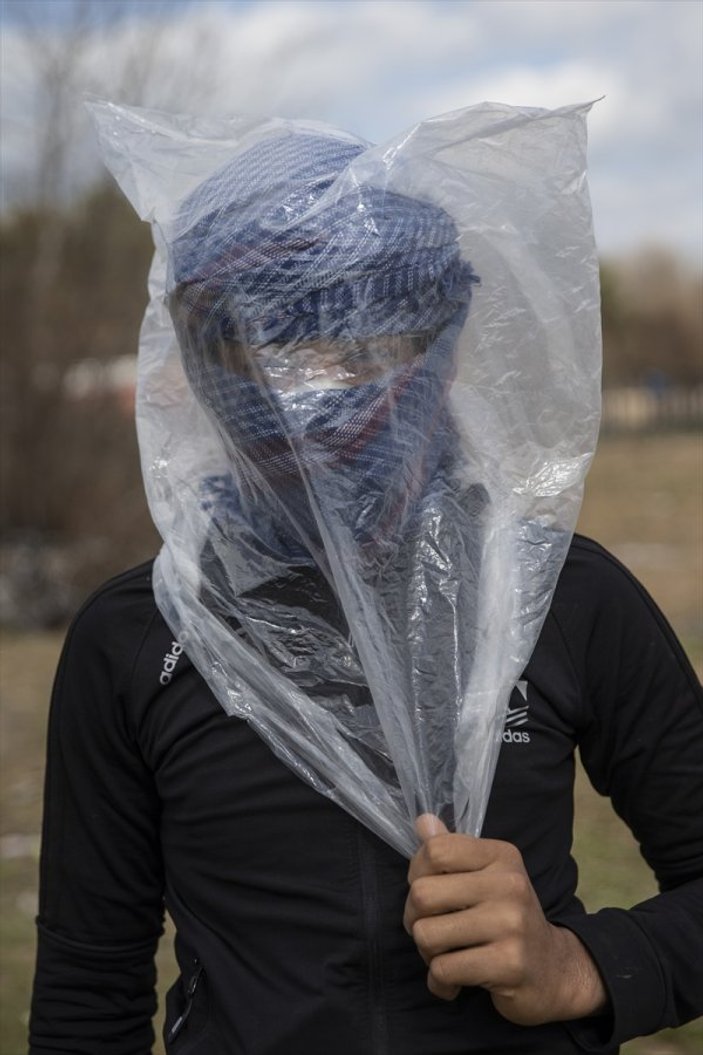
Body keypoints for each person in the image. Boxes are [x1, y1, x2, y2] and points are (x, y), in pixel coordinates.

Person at [29, 127, 703, 1055]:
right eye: (277, 352)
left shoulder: (554, 596)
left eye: (370, 348)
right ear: (197, 365)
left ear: (449, 354)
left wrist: (579, 965)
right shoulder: (140, 635)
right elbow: (87, 990)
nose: (322, 407)